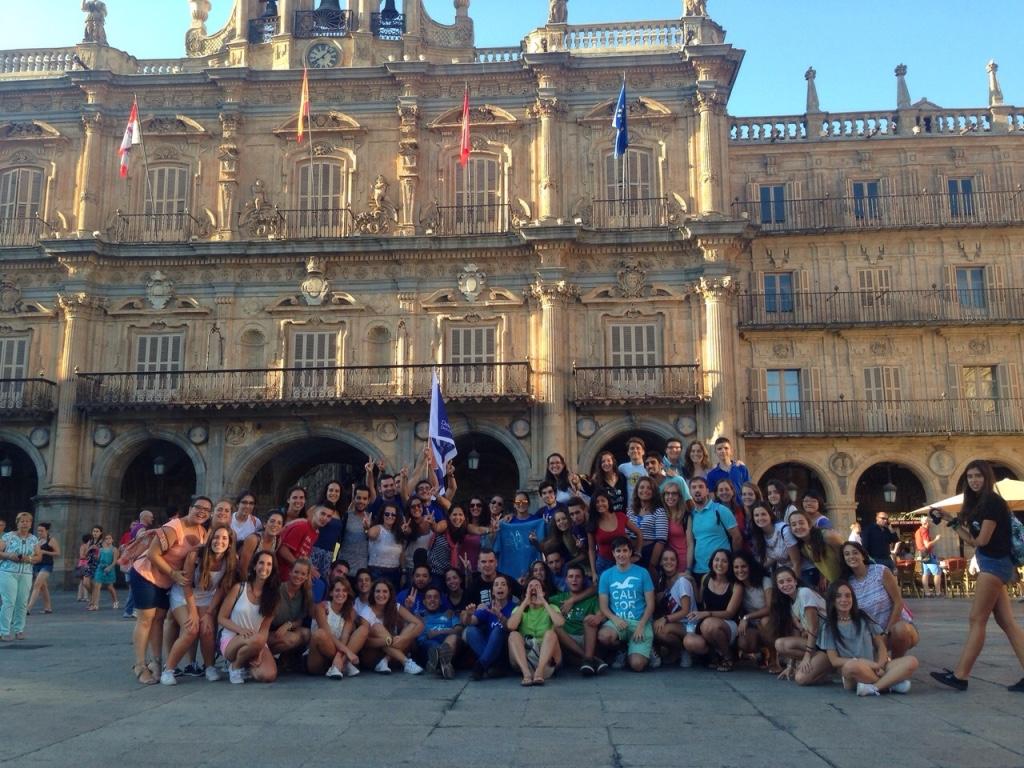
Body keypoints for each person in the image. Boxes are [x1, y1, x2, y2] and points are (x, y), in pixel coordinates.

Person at [930, 460, 1024, 692]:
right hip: (991, 563)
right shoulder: (979, 504)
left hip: (994, 565)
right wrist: (950, 521)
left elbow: (981, 541)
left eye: (978, 476)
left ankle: (961, 675)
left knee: (976, 619)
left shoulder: (991, 502)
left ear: (987, 478)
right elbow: (973, 540)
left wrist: (965, 531)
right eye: (970, 476)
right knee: (1007, 623)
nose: (974, 480)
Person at [130, 497, 210, 684]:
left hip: (166, 580)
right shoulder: (175, 527)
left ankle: (156, 663)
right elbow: (152, 554)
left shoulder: (201, 531)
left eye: (206, 509)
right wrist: (174, 574)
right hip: (146, 574)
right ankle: (140, 665)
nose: (202, 512)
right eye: (198, 507)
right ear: (190, 508)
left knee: (158, 619)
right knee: (145, 620)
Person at [161, 526, 238, 684]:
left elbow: (222, 589)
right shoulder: (195, 555)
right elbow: (186, 585)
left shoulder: (231, 560)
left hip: (207, 597)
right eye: (216, 537)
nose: (219, 541)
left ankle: (209, 667)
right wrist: (193, 612)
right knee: (191, 629)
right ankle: (168, 669)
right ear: (210, 540)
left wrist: (209, 613)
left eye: (224, 539)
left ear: (230, 543)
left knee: (207, 629)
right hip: (183, 595)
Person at [819, 581, 918, 696]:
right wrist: (871, 665)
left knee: (912, 661)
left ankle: (875, 687)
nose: (844, 600)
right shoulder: (829, 626)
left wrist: (880, 663)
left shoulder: (863, 617)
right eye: (838, 596)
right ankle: (890, 683)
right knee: (851, 666)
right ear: (832, 600)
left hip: (875, 666)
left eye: (848, 595)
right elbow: (834, 661)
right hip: (855, 671)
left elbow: (880, 645)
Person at [840, 541, 917, 658]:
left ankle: (897, 662)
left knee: (900, 630)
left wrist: (886, 631)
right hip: (872, 636)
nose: (851, 557)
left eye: (855, 553)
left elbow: (898, 602)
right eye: (847, 554)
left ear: (863, 555)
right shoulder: (848, 583)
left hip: (895, 628)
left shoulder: (880, 571)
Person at [218, 550, 281, 684]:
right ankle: (235, 666)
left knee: (268, 675)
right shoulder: (239, 588)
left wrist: (258, 649)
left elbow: (264, 629)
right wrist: (240, 630)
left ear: (272, 569)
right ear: (254, 566)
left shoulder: (273, 597)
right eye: (261, 563)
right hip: (232, 640)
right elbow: (221, 618)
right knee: (256, 639)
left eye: (269, 564)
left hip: (256, 640)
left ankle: (246, 664)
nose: (264, 567)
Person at [596, 537, 655, 672]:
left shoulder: (642, 573)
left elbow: (651, 604)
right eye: (618, 551)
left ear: (630, 553)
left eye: (625, 551)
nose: (621, 554)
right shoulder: (606, 575)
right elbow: (603, 606)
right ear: (613, 553)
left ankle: (643, 650)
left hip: (639, 621)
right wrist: (615, 619)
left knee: (637, 665)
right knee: (604, 636)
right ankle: (622, 649)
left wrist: (641, 625)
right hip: (618, 623)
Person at [683, 549, 742, 671]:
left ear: (730, 564)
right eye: (717, 560)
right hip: (706, 623)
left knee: (708, 624)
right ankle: (713, 655)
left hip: (727, 624)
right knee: (689, 641)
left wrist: (706, 613)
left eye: (724, 561)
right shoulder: (706, 578)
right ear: (712, 562)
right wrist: (693, 583)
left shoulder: (736, 585)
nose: (719, 564)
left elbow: (729, 613)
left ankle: (728, 656)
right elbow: (699, 600)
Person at [771, 566, 828, 685]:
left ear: (795, 581)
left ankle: (826, 666)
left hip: (829, 645)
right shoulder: (790, 602)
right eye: (781, 582)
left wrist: (807, 656)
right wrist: (790, 665)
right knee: (780, 644)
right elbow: (798, 634)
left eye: (789, 580)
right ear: (777, 585)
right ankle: (818, 665)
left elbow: (814, 627)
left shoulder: (804, 593)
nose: (786, 584)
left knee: (801, 679)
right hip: (817, 645)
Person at [307, 576, 367, 679]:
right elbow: (328, 634)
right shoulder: (322, 607)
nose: (341, 594)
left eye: (344, 591)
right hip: (317, 659)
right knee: (321, 634)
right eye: (337, 590)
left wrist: (339, 657)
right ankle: (344, 664)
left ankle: (338, 665)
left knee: (364, 629)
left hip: (337, 655)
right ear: (331, 593)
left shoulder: (350, 611)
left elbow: (344, 637)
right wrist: (348, 653)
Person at [508, 577, 565, 685]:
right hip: (525, 659)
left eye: (537, 587)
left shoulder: (551, 607)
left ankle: (539, 671)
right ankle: (526, 674)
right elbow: (511, 626)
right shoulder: (519, 609)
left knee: (550, 634)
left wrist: (543, 601)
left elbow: (560, 623)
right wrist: (525, 602)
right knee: (513, 635)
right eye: (530, 587)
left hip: (548, 661)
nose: (533, 589)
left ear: (543, 592)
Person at [361, 579, 424, 674]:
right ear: (373, 594)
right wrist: (387, 640)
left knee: (411, 625)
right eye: (378, 591)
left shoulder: (396, 607)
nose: (381, 595)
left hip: (393, 654)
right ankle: (406, 662)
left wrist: (403, 638)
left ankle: (386, 660)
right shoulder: (366, 611)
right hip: (373, 655)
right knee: (377, 627)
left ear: (390, 594)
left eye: (385, 591)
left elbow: (419, 624)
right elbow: (365, 642)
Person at [462, 573, 515, 680]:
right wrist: (468, 614)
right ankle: (493, 666)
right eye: (496, 585)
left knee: (498, 630)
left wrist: (499, 615)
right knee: (470, 631)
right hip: (488, 648)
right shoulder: (488, 607)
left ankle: (481, 665)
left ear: (508, 590)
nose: (499, 587)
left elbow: (511, 627)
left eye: (503, 584)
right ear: (493, 592)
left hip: (503, 651)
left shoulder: (514, 607)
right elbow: (470, 622)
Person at [686, 477, 741, 578]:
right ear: (690, 492)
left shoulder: (720, 510)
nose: (697, 490)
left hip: (721, 570)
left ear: (707, 491)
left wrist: (732, 560)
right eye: (693, 487)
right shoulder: (692, 515)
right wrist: (688, 569)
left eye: (700, 487)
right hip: (699, 570)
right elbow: (691, 543)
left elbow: (737, 537)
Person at [0, 511, 41, 642]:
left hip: (26, 573)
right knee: (9, 601)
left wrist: (28, 558)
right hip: (8, 572)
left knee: (22, 602)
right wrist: (9, 556)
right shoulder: (8, 537)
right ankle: (4, 631)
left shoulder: (34, 539)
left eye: (28, 521)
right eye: (22, 521)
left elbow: (38, 556)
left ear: (31, 524)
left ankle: (19, 630)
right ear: (17, 523)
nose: (25, 524)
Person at [269, 557, 316, 669]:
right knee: (291, 639)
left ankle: (284, 660)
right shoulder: (278, 590)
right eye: (296, 572)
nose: (299, 576)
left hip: (285, 630)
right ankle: (264, 656)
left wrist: (288, 625)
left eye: (303, 574)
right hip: (268, 631)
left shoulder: (305, 594)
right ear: (290, 572)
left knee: (306, 633)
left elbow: (300, 620)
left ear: (306, 577)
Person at [550, 563, 600, 669]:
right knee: (554, 627)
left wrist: (596, 618)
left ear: (583, 579)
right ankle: (589, 659)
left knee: (589, 619)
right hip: (567, 641)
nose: (574, 580)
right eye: (571, 576)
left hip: (587, 639)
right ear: (566, 580)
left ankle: (586, 658)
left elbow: (600, 615)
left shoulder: (592, 599)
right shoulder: (556, 599)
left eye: (578, 576)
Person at [652, 548, 696, 668]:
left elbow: (685, 611)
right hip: (676, 624)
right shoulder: (663, 581)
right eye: (665, 559)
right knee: (655, 627)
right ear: (660, 562)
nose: (669, 562)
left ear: (677, 562)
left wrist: (665, 619)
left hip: (689, 625)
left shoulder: (682, 581)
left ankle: (684, 650)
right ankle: (675, 651)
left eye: (672, 559)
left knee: (660, 630)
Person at [587, 490, 643, 578]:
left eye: (603, 500)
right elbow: (591, 550)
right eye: (597, 502)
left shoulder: (620, 516)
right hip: (604, 564)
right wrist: (593, 572)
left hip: (624, 560)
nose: (600, 504)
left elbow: (638, 532)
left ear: (608, 502)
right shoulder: (592, 523)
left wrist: (638, 554)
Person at [732, 551, 774, 669]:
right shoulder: (737, 586)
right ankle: (763, 651)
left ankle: (774, 658)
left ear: (750, 566)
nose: (740, 570)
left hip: (770, 621)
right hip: (753, 626)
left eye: (743, 566)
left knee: (765, 621)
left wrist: (747, 617)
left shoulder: (765, 581)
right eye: (736, 567)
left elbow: (770, 608)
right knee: (744, 643)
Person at [493, 491, 546, 583]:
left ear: (529, 503)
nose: (521, 504)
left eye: (524, 502)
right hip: (509, 574)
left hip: (532, 572)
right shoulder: (506, 523)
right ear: (514, 505)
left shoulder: (538, 522)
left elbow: (544, 547)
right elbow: (496, 549)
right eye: (518, 502)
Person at [789, 509, 846, 590]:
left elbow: (846, 558)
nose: (798, 527)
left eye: (801, 523)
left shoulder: (827, 536)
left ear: (809, 524)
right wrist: (823, 577)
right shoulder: (804, 548)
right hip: (837, 584)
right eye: (794, 525)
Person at [628, 476, 668, 579]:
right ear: (637, 490)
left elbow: (661, 541)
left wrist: (652, 564)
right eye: (641, 487)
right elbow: (626, 533)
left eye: (649, 488)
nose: (645, 490)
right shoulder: (630, 510)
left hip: (649, 553)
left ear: (654, 492)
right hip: (630, 554)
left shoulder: (659, 511)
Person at [418, 585, 461, 679]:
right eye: (429, 597)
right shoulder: (420, 616)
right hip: (428, 646)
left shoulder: (449, 614)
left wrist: (438, 632)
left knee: (453, 637)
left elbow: (458, 629)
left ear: (440, 601)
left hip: (449, 645)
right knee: (433, 647)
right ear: (424, 602)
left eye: (436, 597)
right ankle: (444, 664)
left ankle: (441, 664)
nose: (432, 600)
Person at [277, 504, 326, 582]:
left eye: (329, 516)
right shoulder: (302, 526)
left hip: (295, 575)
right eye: (322, 514)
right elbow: (282, 550)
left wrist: (309, 566)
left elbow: (303, 554)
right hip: (282, 574)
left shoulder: (316, 533)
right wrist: (301, 567)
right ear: (314, 513)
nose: (325, 518)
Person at [749, 501, 800, 573]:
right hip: (783, 571)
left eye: (763, 514)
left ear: (770, 515)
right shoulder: (760, 535)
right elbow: (774, 558)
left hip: (800, 570)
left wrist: (795, 582)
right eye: (756, 515)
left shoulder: (784, 530)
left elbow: (797, 562)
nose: (760, 518)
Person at [365, 501, 405, 587]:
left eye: (393, 515)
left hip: (395, 573)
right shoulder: (378, 528)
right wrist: (367, 527)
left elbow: (401, 555)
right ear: (382, 515)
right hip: (377, 572)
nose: (390, 516)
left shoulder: (398, 533)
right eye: (387, 514)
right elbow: (371, 534)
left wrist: (403, 572)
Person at [238, 510, 282, 580]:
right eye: (272, 521)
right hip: (245, 577)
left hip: (261, 578)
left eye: (279, 523)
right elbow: (242, 568)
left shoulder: (277, 541)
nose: (275, 525)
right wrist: (248, 588)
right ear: (265, 524)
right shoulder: (253, 539)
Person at [27, 522, 59, 615]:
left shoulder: (51, 540)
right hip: (37, 564)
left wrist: (45, 551)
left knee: (37, 585)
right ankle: (48, 607)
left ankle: (28, 608)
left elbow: (57, 553)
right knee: (43, 587)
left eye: (41, 531)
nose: (39, 532)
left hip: (47, 565)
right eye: (38, 530)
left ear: (47, 530)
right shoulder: (37, 540)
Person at [337, 484, 372, 571]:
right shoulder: (346, 516)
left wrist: (368, 529)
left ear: (368, 500)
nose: (361, 501)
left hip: (362, 568)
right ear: (354, 499)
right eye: (358, 498)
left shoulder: (372, 518)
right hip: (343, 566)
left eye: (364, 499)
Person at [914, 515, 943, 597]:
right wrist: (936, 539)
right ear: (926, 523)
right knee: (937, 572)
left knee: (925, 574)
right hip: (927, 554)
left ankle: (927, 593)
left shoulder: (917, 531)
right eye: (929, 522)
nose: (930, 523)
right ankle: (938, 593)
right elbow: (927, 545)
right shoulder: (924, 530)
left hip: (921, 554)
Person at [89, 533, 119, 611]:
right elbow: (98, 559)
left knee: (110, 587)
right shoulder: (101, 549)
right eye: (106, 539)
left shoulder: (114, 549)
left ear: (112, 540)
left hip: (109, 569)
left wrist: (109, 567)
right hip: (100, 568)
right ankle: (95, 604)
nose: (108, 540)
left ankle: (115, 601)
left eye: (109, 538)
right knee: (97, 586)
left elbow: (115, 561)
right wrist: (95, 551)